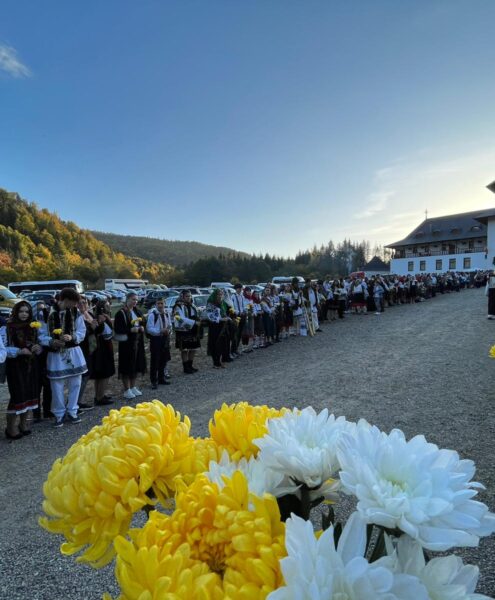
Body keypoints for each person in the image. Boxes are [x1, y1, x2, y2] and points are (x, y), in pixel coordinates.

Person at [42, 288, 88, 428]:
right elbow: (41, 334)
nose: (75, 305)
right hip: (56, 354)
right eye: (74, 302)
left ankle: (72, 410)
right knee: (57, 385)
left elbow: (82, 331)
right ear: (65, 300)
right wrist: (51, 341)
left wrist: (72, 337)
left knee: (76, 382)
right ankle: (59, 414)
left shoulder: (75, 312)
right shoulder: (46, 313)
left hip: (73, 351)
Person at [4, 301, 42, 439]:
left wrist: (38, 348)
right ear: (15, 312)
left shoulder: (33, 326)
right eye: (21, 311)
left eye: (27, 311)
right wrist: (19, 351)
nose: (24, 314)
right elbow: (3, 348)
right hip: (15, 365)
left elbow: (39, 342)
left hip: (31, 365)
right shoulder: (7, 327)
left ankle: (23, 424)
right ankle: (10, 428)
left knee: (30, 393)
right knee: (17, 395)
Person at [114, 292, 146, 400]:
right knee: (126, 365)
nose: (135, 302)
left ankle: (133, 386)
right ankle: (126, 389)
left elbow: (143, 321)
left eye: (136, 300)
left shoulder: (137, 311)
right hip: (126, 344)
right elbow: (118, 329)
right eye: (133, 299)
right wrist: (130, 330)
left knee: (135, 364)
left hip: (137, 342)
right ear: (127, 299)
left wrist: (142, 327)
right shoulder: (121, 313)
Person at [88, 299, 115, 405]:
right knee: (104, 374)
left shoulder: (104, 316)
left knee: (101, 375)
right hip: (102, 349)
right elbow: (106, 334)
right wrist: (103, 322)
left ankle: (99, 395)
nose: (109, 307)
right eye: (107, 306)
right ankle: (99, 397)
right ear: (102, 307)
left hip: (104, 347)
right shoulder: (100, 317)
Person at [173, 290, 201, 374]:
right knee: (184, 349)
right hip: (183, 330)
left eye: (190, 296)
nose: (189, 298)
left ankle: (190, 365)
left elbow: (196, 315)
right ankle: (186, 368)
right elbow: (180, 318)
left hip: (193, 329)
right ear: (182, 296)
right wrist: (193, 322)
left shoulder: (192, 305)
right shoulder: (178, 306)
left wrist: (198, 320)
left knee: (193, 348)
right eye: (187, 296)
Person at [147, 297, 172, 388]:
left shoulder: (167, 313)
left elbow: (170, 325)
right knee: (155, 360)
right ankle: (154, 381)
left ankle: (161, 378)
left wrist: (168, 331)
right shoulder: (153, 315)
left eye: (162, 303)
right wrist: (160, 331)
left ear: (165, 304)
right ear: (155, 304)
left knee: (163, 359)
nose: (160, 305)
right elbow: (149, 329)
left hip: (165, 338)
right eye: (158, 303)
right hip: (156, 339)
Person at [205, 289, 231, 368]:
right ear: (215, 295)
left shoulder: (223, 303)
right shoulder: (211, 303)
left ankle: (221, 361)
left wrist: (227, 317)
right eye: (218, 294)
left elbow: (225, 312)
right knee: (215, 343)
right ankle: (215, 362)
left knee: (223, 344)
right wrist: (222, 319)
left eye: (221, 294)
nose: (220, 296)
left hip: (223, 326)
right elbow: (210, 316)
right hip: (214, 327)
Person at [231, 283, 248, 355]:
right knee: (236, 333)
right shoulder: (233, 297)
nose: (240, 289)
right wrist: (237, 312)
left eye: (241, 288)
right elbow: (231, 308)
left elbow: (244, 305)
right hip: (236, 316)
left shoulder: (242, 296)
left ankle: (236, 349)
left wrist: (245, 311)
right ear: (236, 289)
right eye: (239, 288)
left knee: (240, 333)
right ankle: (232, 350)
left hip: (242, 316)